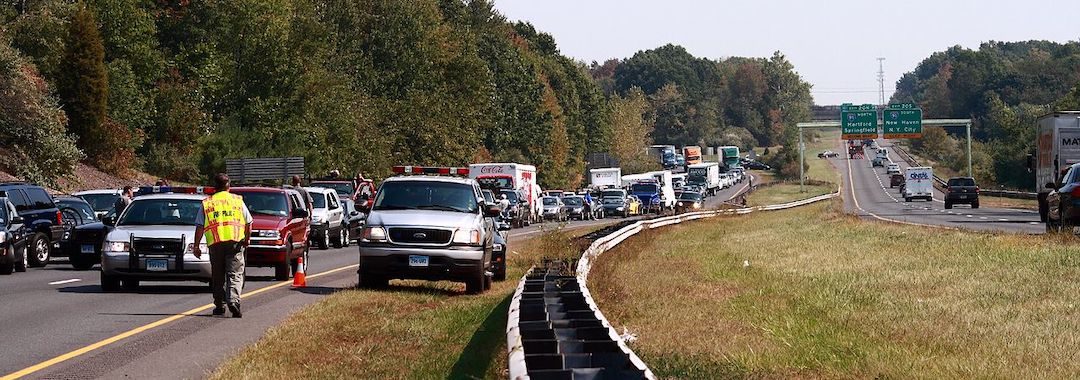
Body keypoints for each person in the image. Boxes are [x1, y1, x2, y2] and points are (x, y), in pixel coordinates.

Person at [193, 174, 253, 318]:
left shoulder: (208, 203)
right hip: (235, 242)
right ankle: (233, 300)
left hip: (216, 243)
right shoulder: (237, 201)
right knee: (235, 274)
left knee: (218, 275)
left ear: (215, 186)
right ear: (228, 186)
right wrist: (247, 240)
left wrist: (196, 246)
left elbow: (200, 226)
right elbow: (249, 222)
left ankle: (220, 306)